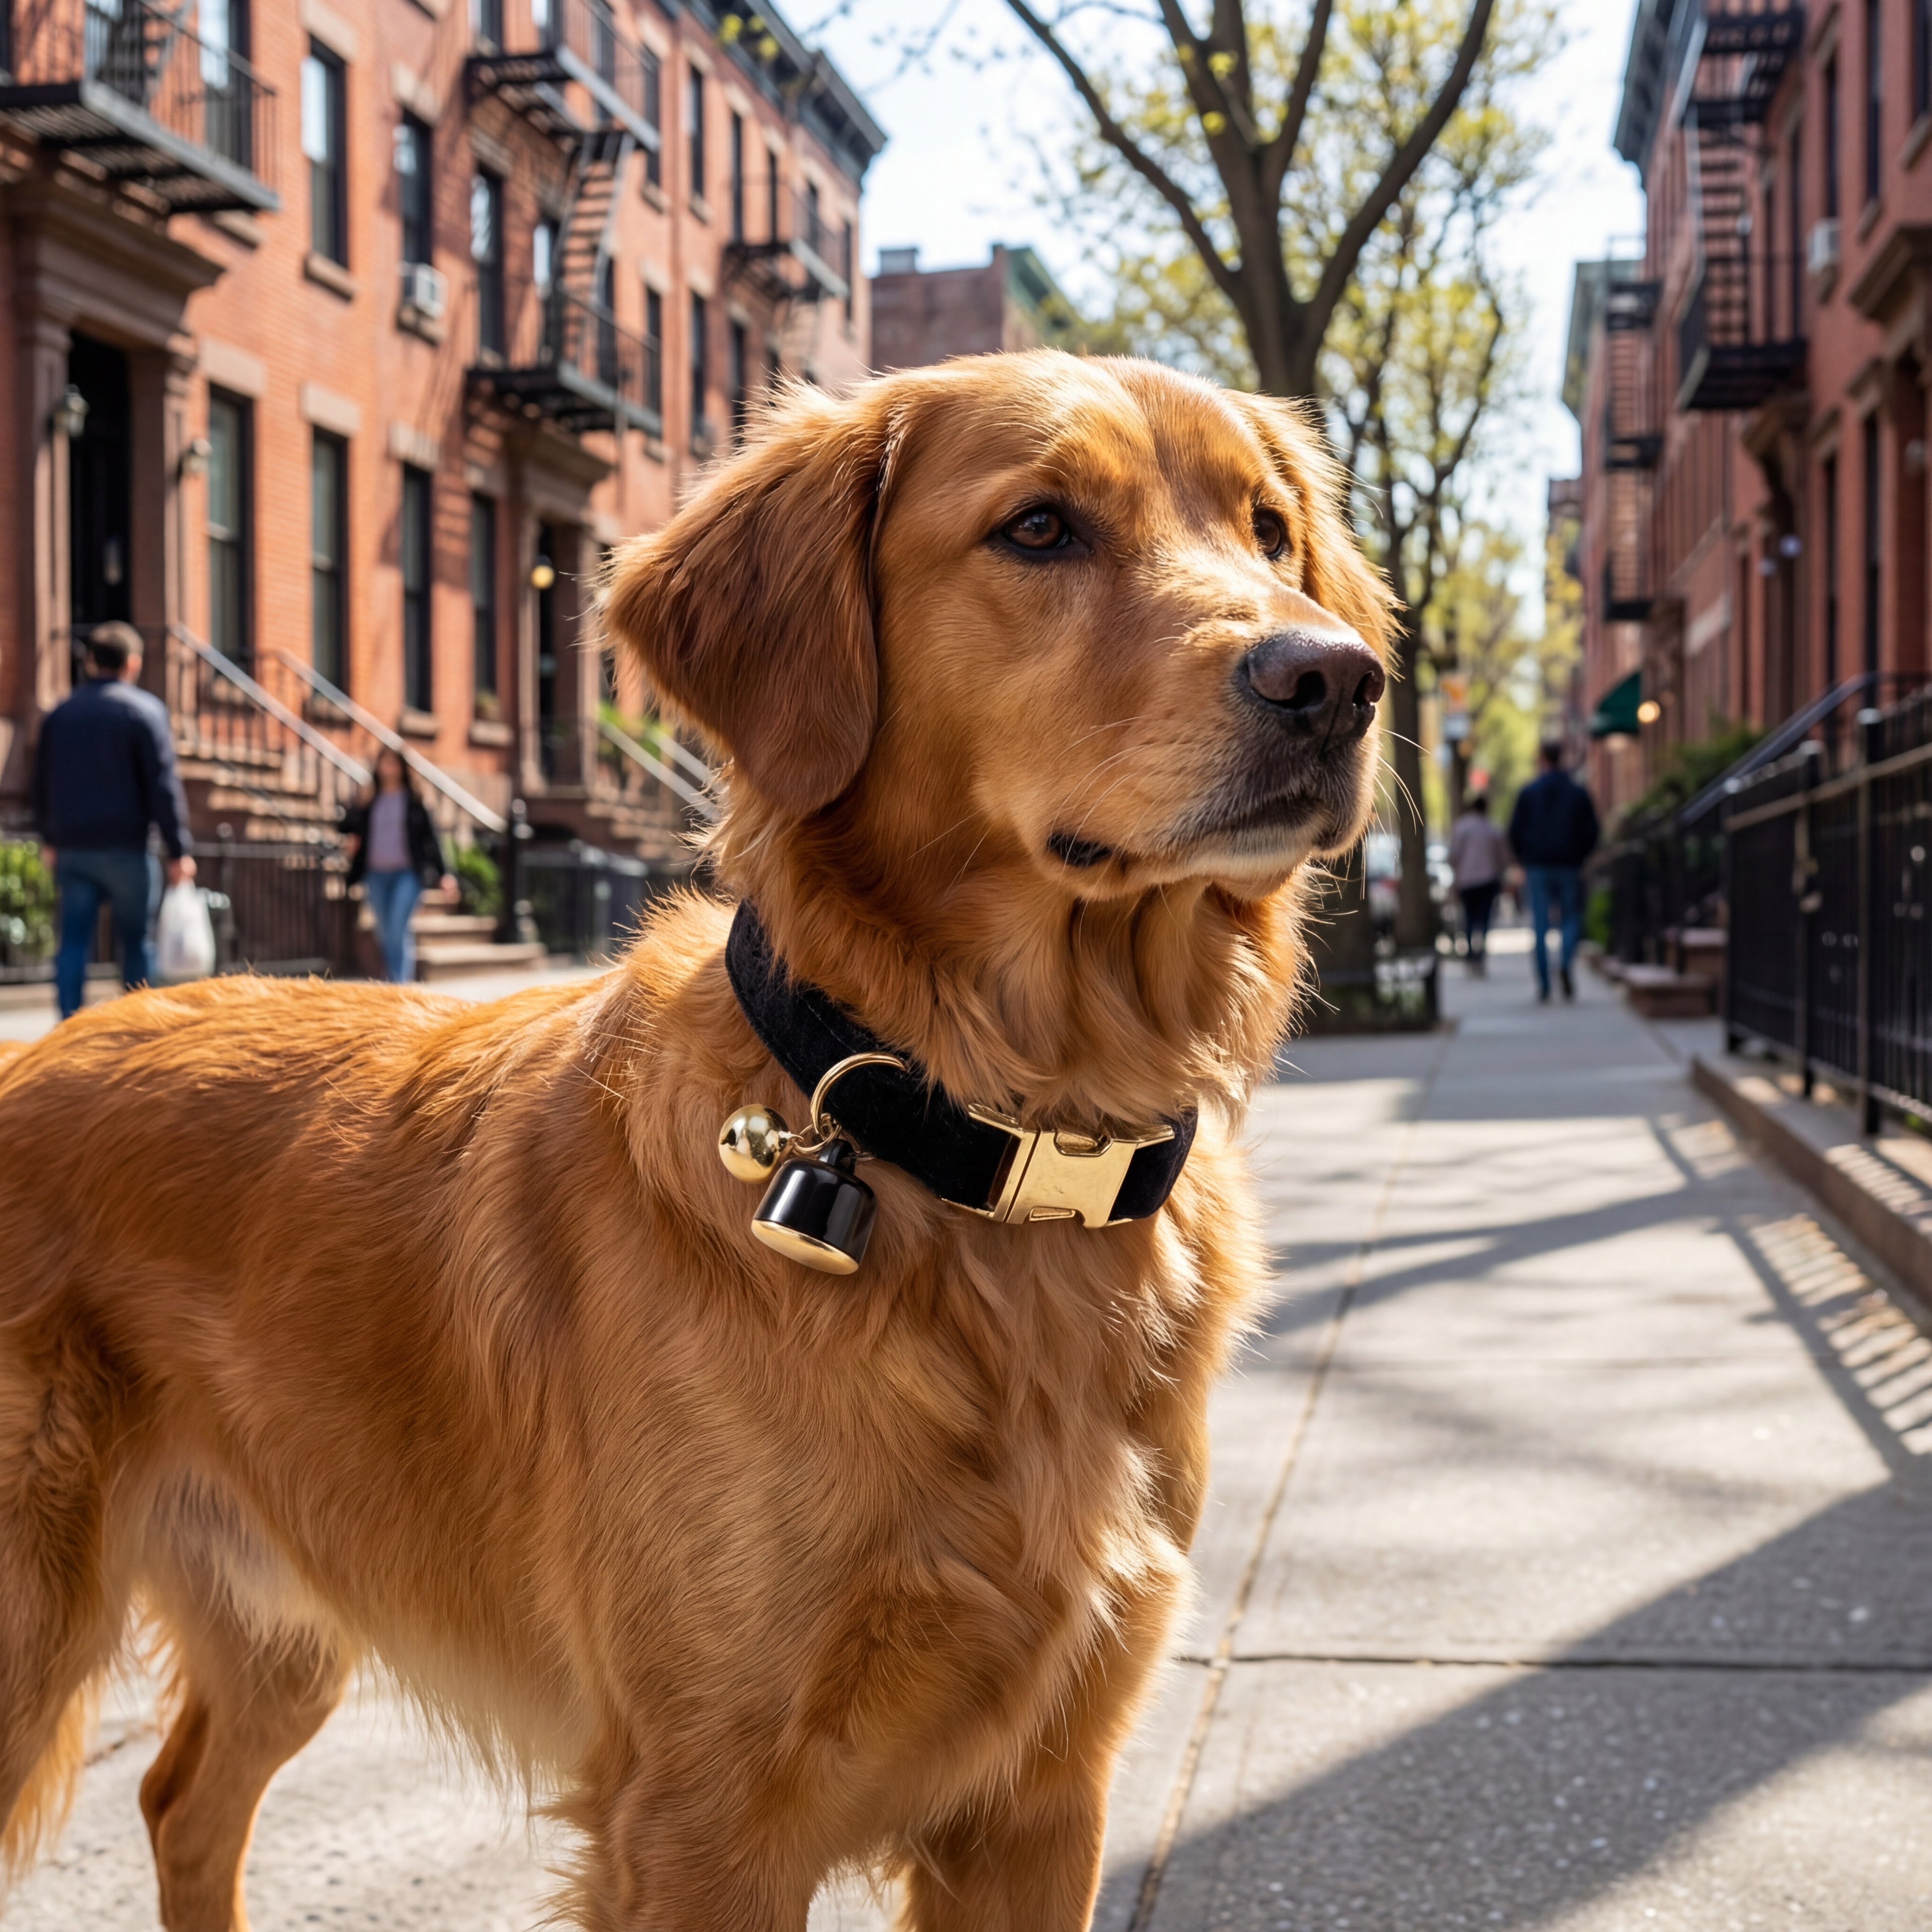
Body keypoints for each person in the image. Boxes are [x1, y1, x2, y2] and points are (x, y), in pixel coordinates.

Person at [31, 622, 195, 1020]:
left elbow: (41, 782)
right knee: (136, 944)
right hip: (127, 847)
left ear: (90, 662)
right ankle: (136, 1030)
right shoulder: (146, 711)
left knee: (73, 944)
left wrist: (49, 837)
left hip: (73, 848)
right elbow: (163, 787)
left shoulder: (60, 716)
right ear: (133, 663)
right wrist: (179, 850)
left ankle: (68, 1027)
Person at [341, 748, 453, 984]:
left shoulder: (414, 800)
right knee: (384, 932)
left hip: (408, 874)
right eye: (384, 763)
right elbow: (344, 826)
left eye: (393, 763)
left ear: (402, 768)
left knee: (397, 929)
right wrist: (358, 808)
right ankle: (394, 981)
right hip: (375, 874)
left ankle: (399, 986)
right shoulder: (371, 799)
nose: (388, 768)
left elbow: (432, 839)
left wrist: (445, 875)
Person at [1508, 739, 1600, 1003]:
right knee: (1571, 918)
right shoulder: (1577, 792)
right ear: (1560, 757)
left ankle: (1545, 986)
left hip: (1537, 866)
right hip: (1569, 865)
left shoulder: (1529, 792)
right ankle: (1565, 964)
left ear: (1542, 758)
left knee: (1540, 924)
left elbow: (1515, 831)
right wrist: (1581, 855)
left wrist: (1524, 857)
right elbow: (1593, 829)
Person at [1447, 791, 1510, 975]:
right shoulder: (1494, 829)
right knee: (1483, 919)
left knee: (1468, 918)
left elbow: (1453, 856)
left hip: (1467, 881)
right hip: (1489, 881)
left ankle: (1469, 956)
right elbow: (1504, 858)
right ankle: (1479, 955)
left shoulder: (1462, 828)